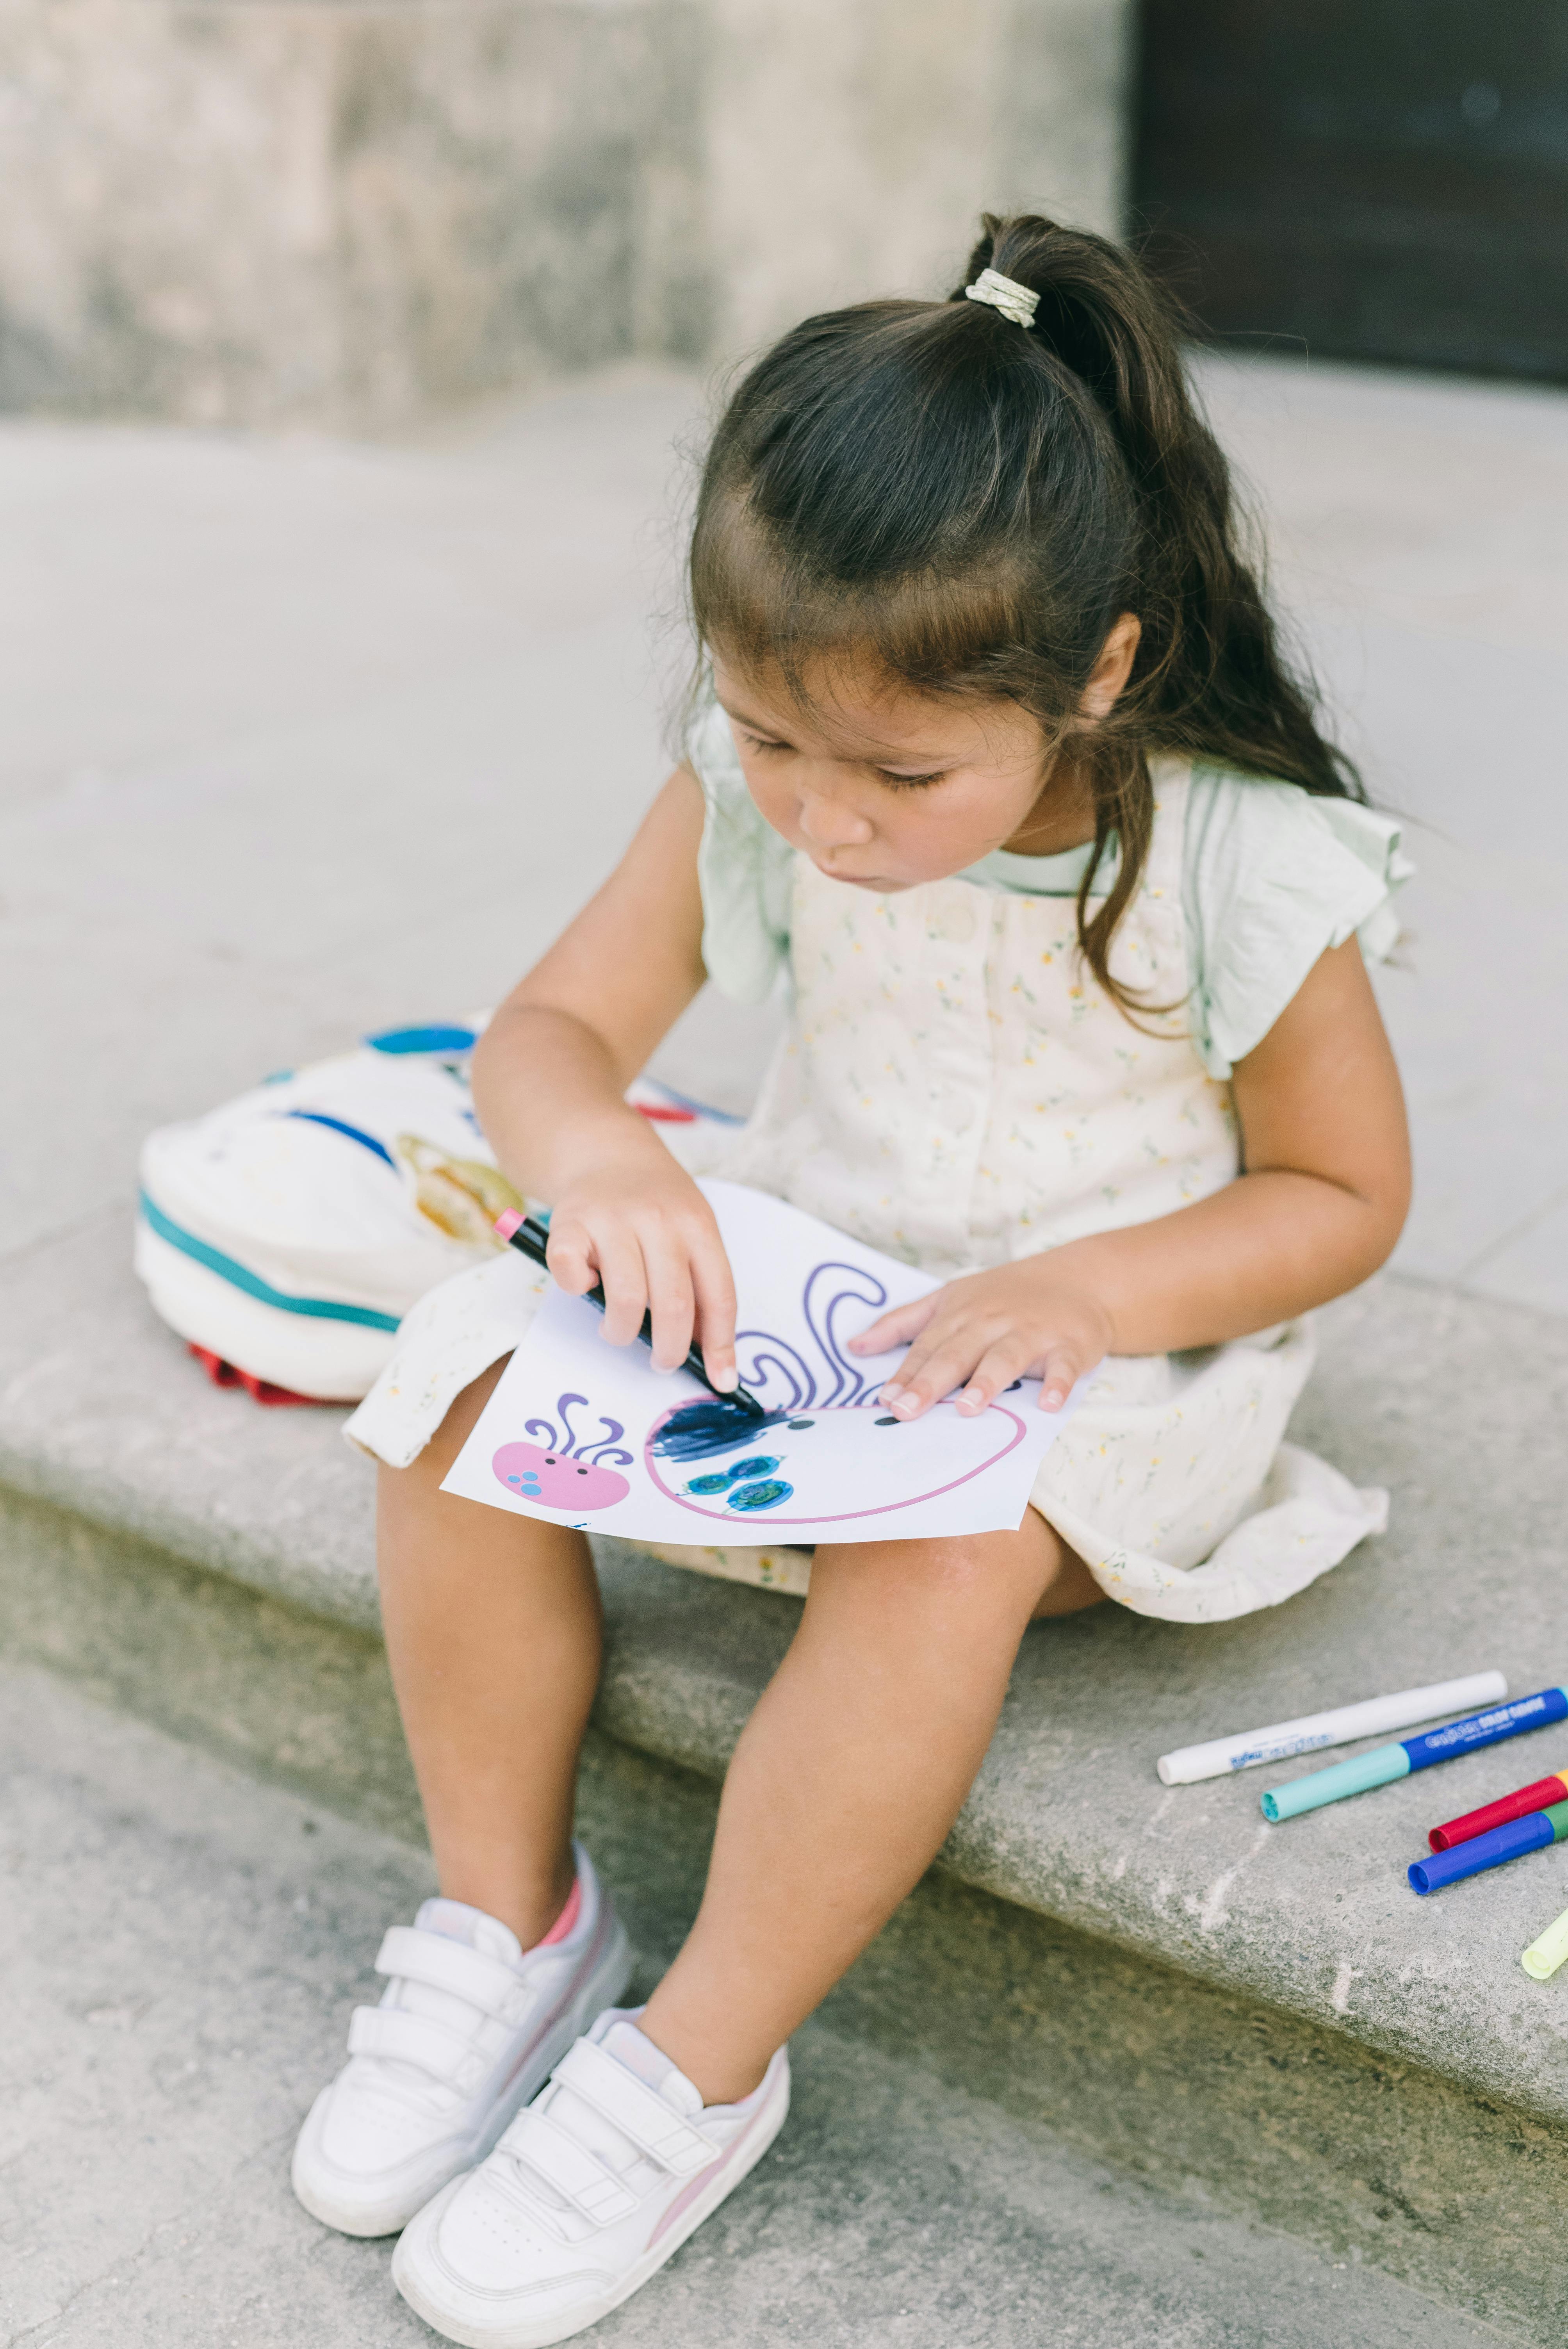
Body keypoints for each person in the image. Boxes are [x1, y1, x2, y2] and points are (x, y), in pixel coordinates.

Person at [292, 216, 1410, 2345]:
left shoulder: (1237, 851)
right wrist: (608, 1157)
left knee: (947, 1551)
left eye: (900, 775)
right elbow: (546, 1041)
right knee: (447, 1391)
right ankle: (506, 1923)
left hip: (1107, 1353)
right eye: (771, 743)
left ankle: (690, 2062)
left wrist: (1082, 1298)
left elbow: (1346, 1195)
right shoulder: (760, 777)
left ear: (1097, 669)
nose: (823, 822)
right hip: (813, 1291)